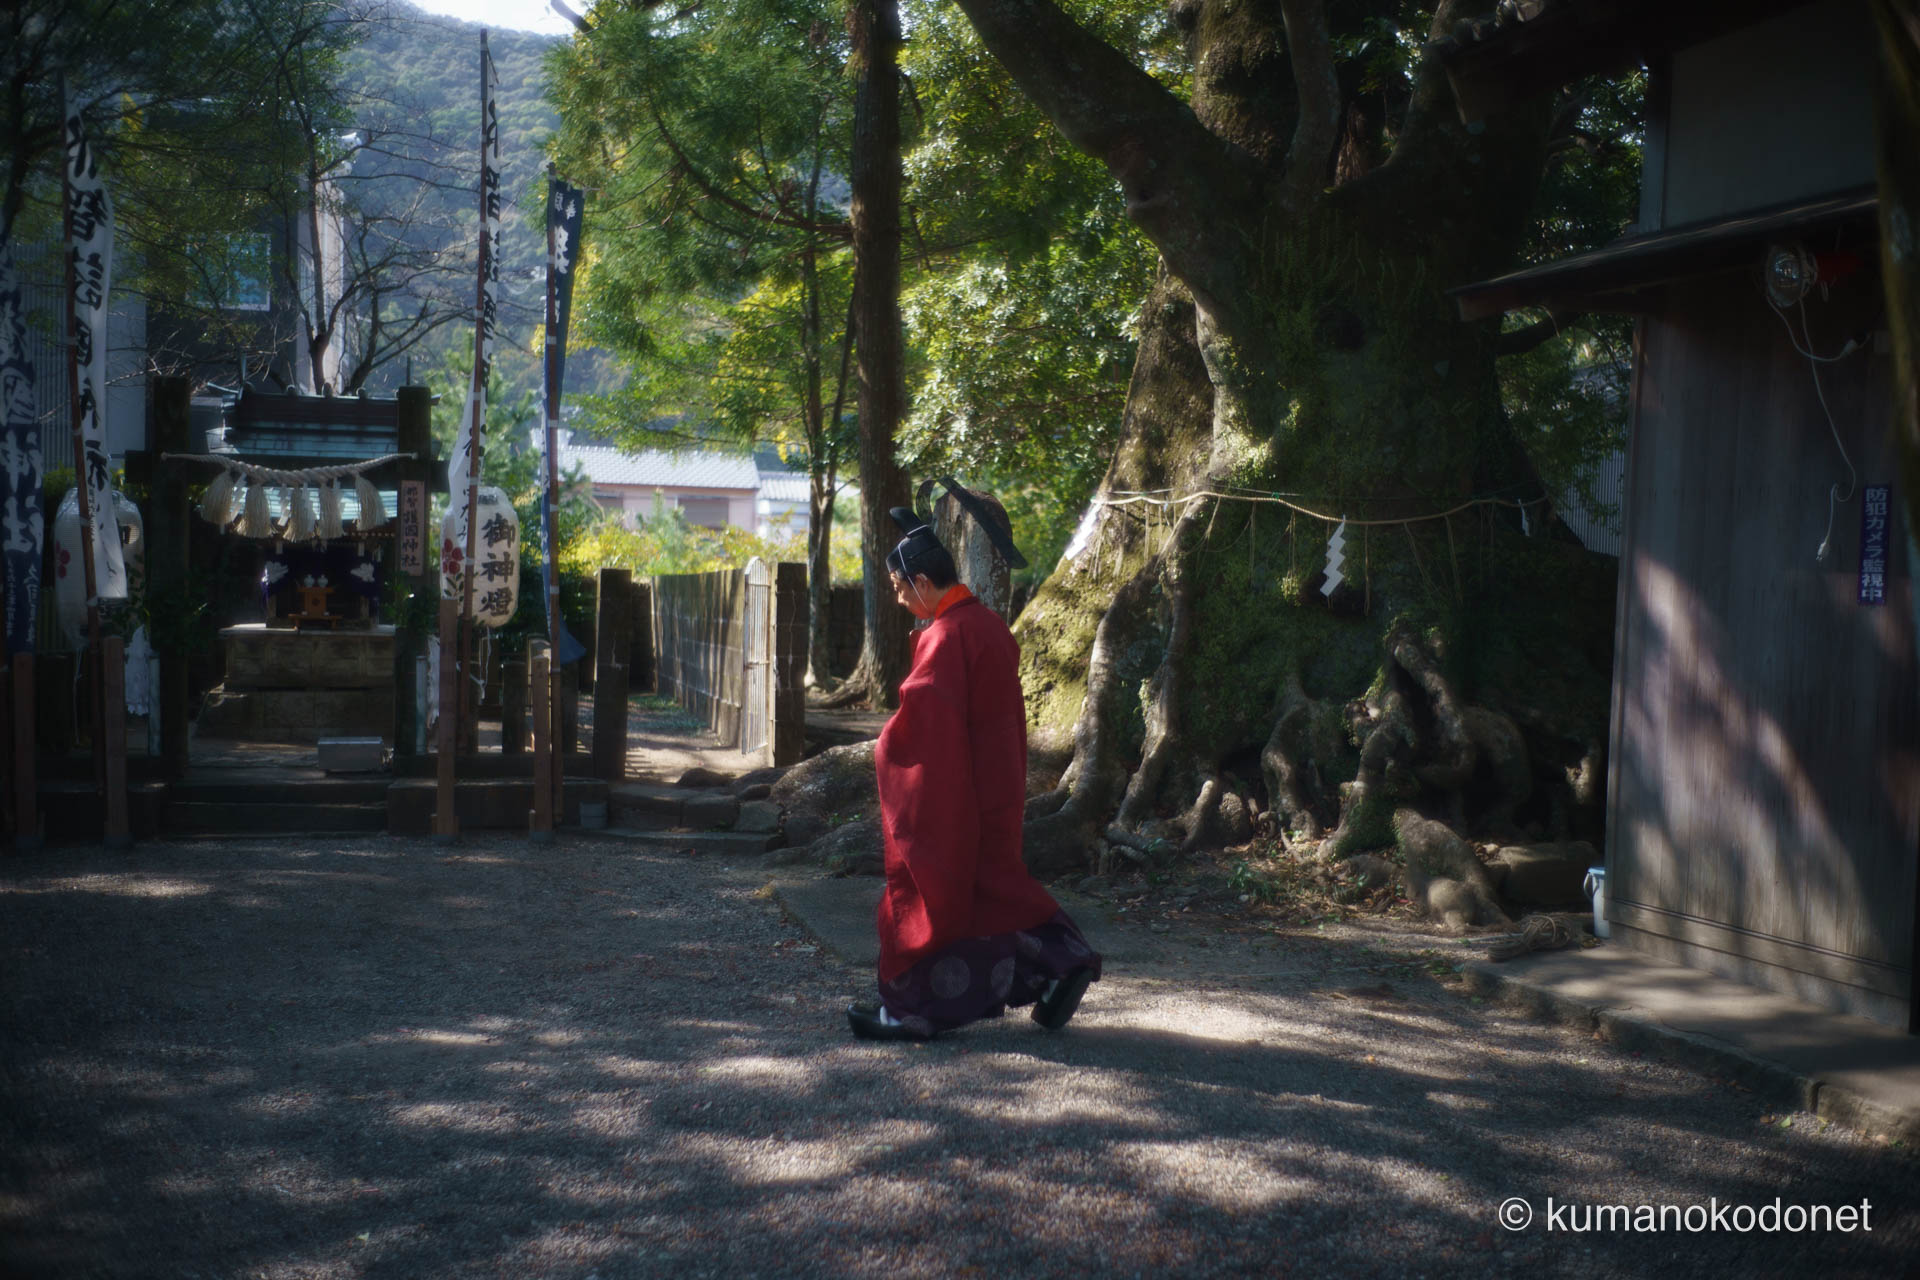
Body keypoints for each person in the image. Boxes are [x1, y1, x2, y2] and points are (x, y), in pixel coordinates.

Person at [846, 507, 1101, 1041]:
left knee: (932, 890)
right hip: (997, 783)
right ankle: (1066, 961)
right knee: (996, 888)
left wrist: (889, 746)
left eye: (899, 587)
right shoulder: (988, 626)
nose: (898, 599)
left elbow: (925, 727)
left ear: (921, 581)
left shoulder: (946, 637)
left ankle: (908, 1012)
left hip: (959, 788)